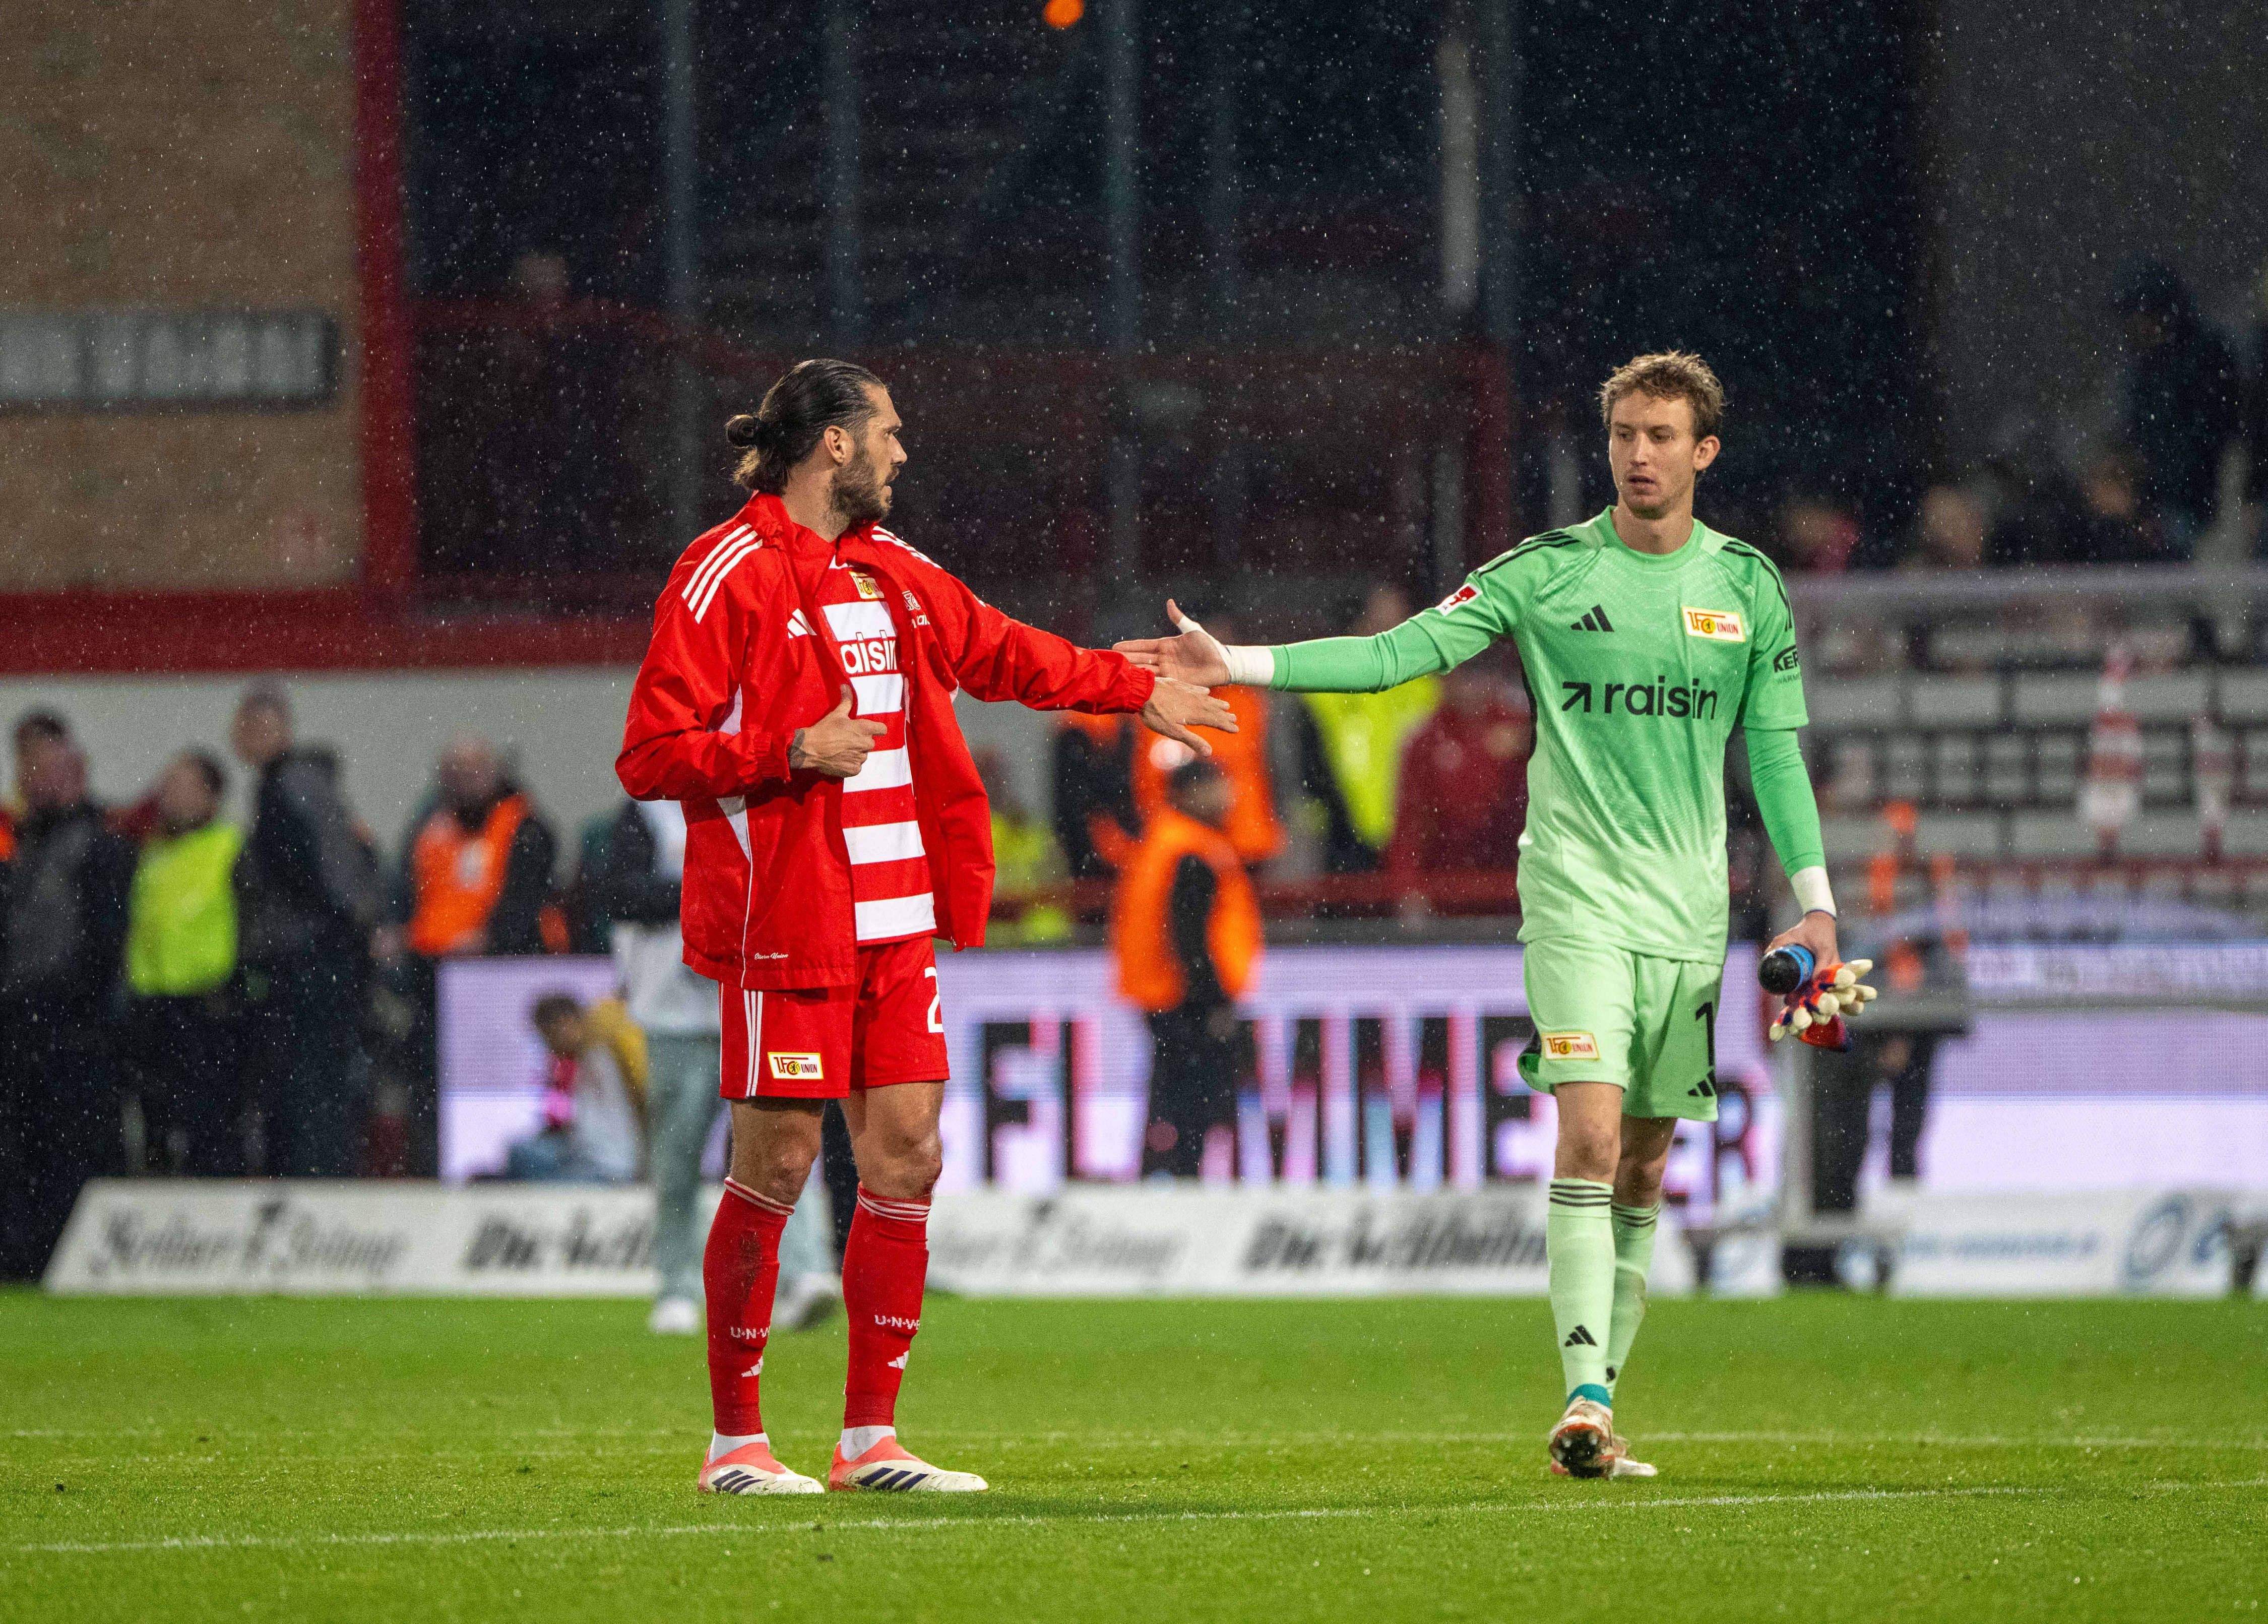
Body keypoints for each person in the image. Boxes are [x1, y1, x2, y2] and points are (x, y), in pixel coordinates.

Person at [1119, 350, 1837, 1481]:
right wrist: (1242, 663)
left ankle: (1604, 1408)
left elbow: (1776, 757)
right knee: (1591, 1137)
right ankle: (1585, 1396)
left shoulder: (1745, 586)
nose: (1639, 456)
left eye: (1661, 437)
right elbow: (1398, 655)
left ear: (1703, 452)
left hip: (1691, 912)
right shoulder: (1549, 573)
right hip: (1576, 900)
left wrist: (1819, 909)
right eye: (1623, 437)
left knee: (1646, 1168)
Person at [616, 357, 1232, 1495]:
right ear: (833, 445)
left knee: (908, 1153)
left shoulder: (890, 570)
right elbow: (649, 751)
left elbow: (1000, 648)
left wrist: (1123, 686)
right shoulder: (722, 573)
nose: (902, 452)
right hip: (787, 923)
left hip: (894, 922)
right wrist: (788, 751)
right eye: (887, 432)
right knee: (781, 1158)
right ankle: (734, 1443)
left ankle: (868, 1441)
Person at [594, 794, 839, 1335]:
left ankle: (800, 1274)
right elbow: (621, 894)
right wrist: (714, 887)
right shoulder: (649, 808)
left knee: (782, 1146)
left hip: (760, 1001)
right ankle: (677, 1286)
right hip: (679, 1012)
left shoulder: (771, 795)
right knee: (678, 1156)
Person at [0, 713, 136, 1277]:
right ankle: (28, 1254)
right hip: (24, 1021)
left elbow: (104, 944)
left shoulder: (99, 846)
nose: (36, 780)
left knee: (70, 1146)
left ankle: (66, 1255)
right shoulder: (25, 845)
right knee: (25, 1146)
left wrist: (88, 1014)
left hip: (70, 1028)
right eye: (29, 768)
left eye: (48, 769)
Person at [385, 735, 559, 1173]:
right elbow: (405, 889)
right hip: (431, 977)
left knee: (496, 1084)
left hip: (497, 981)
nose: (464, 781)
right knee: (429, 1081)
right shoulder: (430, 824)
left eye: (475, 770)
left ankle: (497, 1168)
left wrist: (491, 941)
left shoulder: (525, 824)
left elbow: (527, 900)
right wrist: (395, 933)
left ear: (498, 772)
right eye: (454, 772)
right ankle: (431, 1170)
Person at [232, 682, 381, 1178]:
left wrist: (339, 931)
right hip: (320, 956)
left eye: (258, 726)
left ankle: (315, 1180)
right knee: (314, 1079)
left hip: (312, 960)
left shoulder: (290, 785)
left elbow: (317, 874)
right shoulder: (304, 784)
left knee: (309, 1081)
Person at [1112, 761, 1262, 1178]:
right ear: (1188, 793)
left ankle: (1163, 1179)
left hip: (1163, 995)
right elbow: (1191, 935)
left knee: (1168, 1103)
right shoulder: (1192, 849)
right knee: (1194, 1110)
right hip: (1186, 999)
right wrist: (1214, 1000)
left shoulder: (1163, 840)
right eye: (1216, 787)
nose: (1227, 798)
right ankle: (1182, 1184)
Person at [124, 752, 245, 1176]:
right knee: (155, 1127)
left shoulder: (230, 846)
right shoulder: (152, 852)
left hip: (208, 1006)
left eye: (181, 787)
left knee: (211, 1128)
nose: (168, 796)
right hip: (154, 1005)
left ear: (211, 797)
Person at [1294, 584, 1439, 873]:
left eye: (1400, 621)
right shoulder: (1324, 687)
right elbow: (1306, 763)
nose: (1393, 631)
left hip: (1416, 834)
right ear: (1360, 624)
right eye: (1381, 621)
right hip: (1343, 834)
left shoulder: (1426, 688)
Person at [2113, 261, 2241, 552]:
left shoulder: (2205, 356)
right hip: (2165, 508)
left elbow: (2213, 439)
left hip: (2207, 505)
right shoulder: (2146, 370)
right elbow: (2140, 437)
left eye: (2135, 315)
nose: (2129, 328)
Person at [1384, 658, 1530, 911]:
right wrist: (1406, 888)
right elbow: (1410, 825)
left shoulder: (1525, 729)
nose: (1472, 684)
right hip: (1447, 891)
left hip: (1516, 887)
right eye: (1462, 672)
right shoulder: (1425, 741)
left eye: (1481, 670)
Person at [503, 992, 645, 1183]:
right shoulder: (585, 1058)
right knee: (521, 1153)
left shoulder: (603, 1055)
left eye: (548, 1037)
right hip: (589, 1157)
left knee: (534, 1187)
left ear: (566, 1024)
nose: (549, 1048)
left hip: (607, 1169)